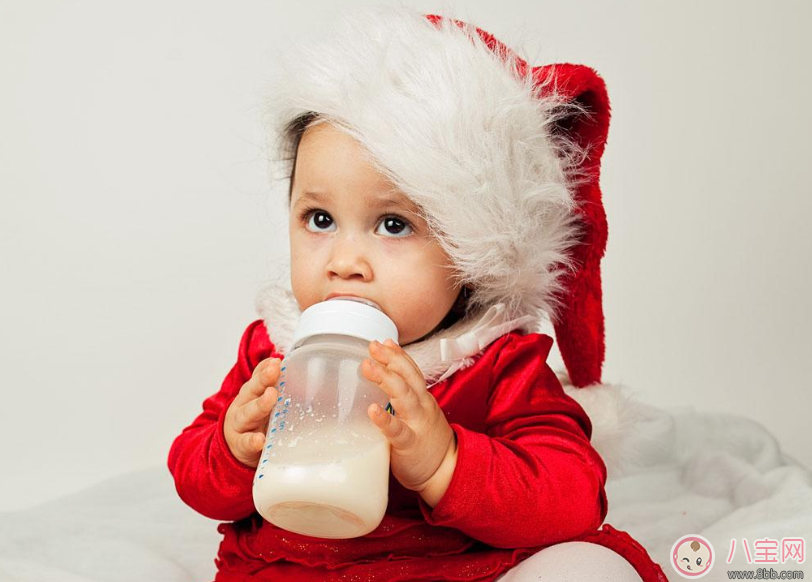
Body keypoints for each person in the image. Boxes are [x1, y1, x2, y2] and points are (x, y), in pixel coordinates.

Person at [168, 6, 668, 581]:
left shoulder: (497, 363)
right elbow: (192, 472)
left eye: (393, 225)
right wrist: (233, 448)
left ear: (469, 250)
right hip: (297, 570)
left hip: (459, 569)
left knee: (589, 567)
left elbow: (574, 494)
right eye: (320, 218)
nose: (344, 262)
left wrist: (444, 460)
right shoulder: (274, 352)